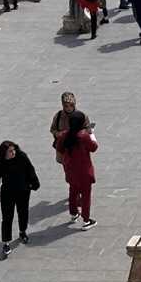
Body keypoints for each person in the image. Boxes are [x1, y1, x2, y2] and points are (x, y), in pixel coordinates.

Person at [50, 94, 96, 227]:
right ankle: (86, 220)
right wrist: (90, 135)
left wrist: (62, 139)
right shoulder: (83, 136)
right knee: (85, 193)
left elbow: (59, 146)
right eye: (66, 105)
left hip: (69, 164)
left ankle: (73, 212)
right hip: (83, 168)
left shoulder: (65, 135)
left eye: (71, 105)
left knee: (73, 188)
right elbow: (94, 147)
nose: (68, 108)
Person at [0, 139, 39, 259]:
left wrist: (35, 183)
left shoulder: (21, 157)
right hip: (7, 193)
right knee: (7, 217)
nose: (13, 153)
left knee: (23, 212)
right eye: (10, 151)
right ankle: (6, 242)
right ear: (4, 153)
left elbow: (30, 170)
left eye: (14, 150)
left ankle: (22, 232)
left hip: (23, 191)